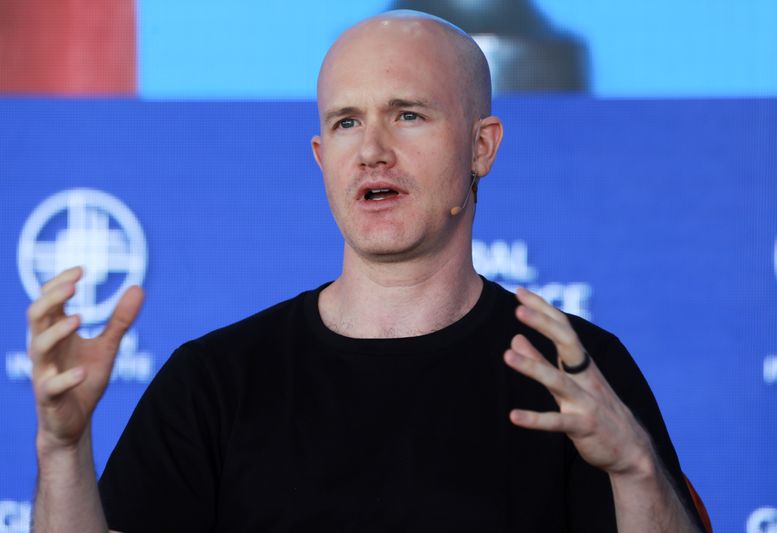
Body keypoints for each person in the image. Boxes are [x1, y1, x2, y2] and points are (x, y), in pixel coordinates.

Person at [27, 10, 704, 533]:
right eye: (348, 122)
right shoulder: (213, 382)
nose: (372, 151)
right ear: (322, 156)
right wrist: (63, 449)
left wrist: (634, 465)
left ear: (481, 146)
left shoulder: (572, 372)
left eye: (408, 115)